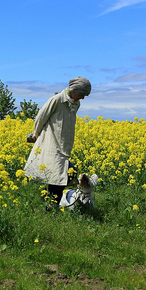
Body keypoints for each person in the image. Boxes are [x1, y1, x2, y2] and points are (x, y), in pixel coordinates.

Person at [24, 77, 91, 209]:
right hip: (51, 144)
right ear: (74, 90)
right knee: (59, 177)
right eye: (82, 94)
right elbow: (40, 118)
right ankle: (52, 206)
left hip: (64, 145)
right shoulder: (56, 100)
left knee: (64, 175)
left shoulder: (75, 104)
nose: (82, 98)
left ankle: (49, 201)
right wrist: (35, 135)